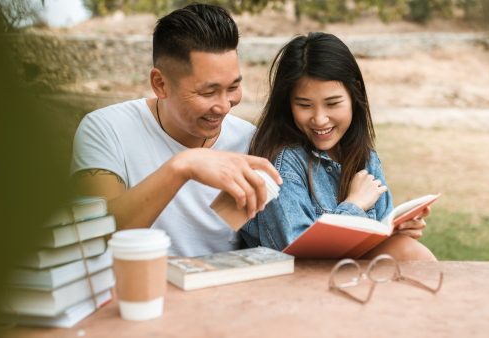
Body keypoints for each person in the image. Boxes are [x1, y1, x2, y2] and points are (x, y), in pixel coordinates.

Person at [71, 4, 281, 257]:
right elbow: (93, 238)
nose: (225, 106)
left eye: (233, 87)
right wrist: (182, 166)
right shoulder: (105, 129)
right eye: (208, 92)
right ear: (160, 83)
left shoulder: (248, 140)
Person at [240, 32, 436, 261]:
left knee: (406, 249)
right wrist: (353, 206)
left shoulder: (365, 157)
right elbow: (299, 257)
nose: (320, 119)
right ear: (288, 104)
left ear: (354, 96)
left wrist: (396, 231)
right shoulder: (282, 163)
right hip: (296, 285)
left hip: (351, 277)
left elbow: (377, 231)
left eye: (332, 103)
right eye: (304, 105)